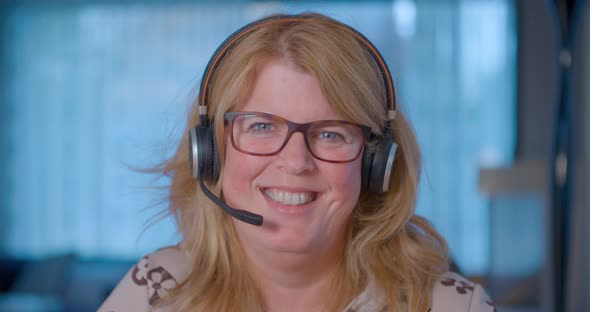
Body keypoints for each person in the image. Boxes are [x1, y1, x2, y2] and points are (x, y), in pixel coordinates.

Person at [98, 13, 495, 312]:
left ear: (376, 162)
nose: (295, 161)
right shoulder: (156, 292)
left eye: (330, 133)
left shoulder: (452, 305)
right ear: (212, 152)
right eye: (260, 127)